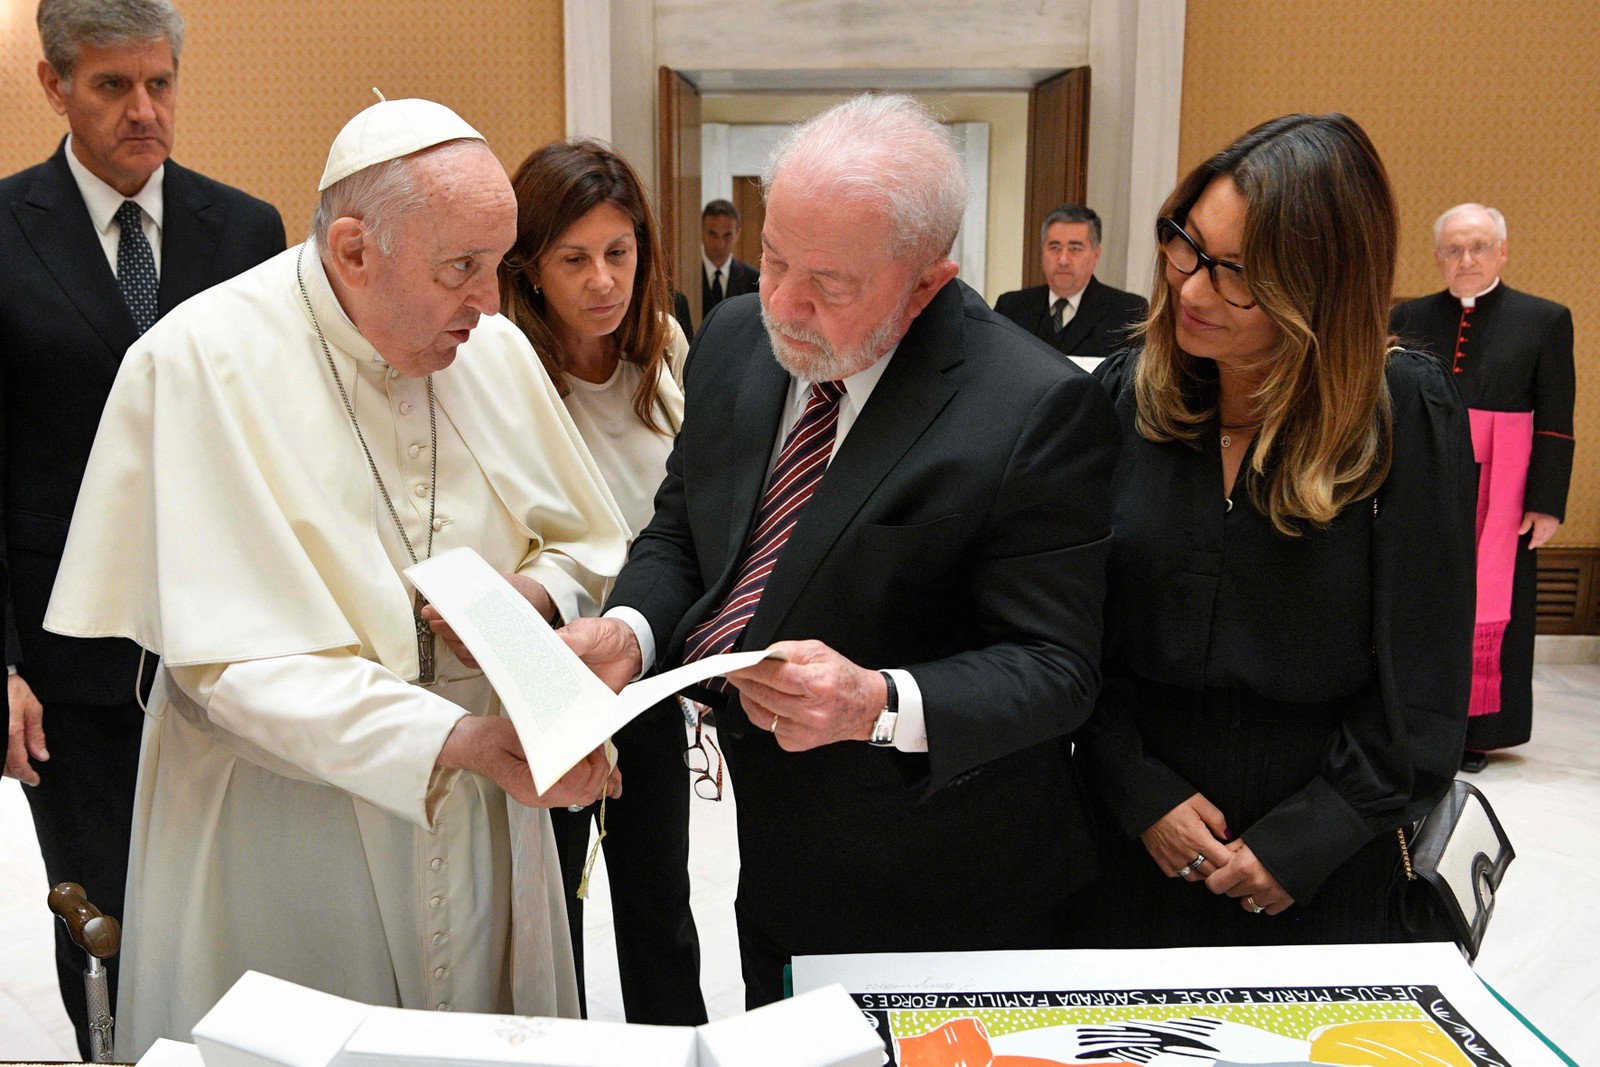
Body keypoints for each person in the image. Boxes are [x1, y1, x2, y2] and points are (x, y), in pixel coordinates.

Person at [41, 98, 630, 1059]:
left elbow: (580, 546)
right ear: (354, 249)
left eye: (499, 264)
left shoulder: (494, 349)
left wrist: (533, 601)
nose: (491, 302)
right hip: (285, 827)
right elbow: (231, 667)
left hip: (482, 813)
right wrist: (459, 739)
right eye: (461, 269)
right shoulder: (201, 364)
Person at [557, 94, 1119, 1006]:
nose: (785, 303)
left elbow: (1055, 666)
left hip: (940, 887)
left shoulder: (1031, 407)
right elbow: (684, 531)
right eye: (775, 258)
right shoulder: (737, 340)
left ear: (928, 282)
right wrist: (629, 630)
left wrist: (876, 699)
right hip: (772, 858)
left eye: (832, 283)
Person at [1073, 113, 1477, 948]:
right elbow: (1074, 631)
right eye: (1185, 244)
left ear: (1321, 285)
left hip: (1326, 861)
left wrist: (1306, 839)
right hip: (1129, 839)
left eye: (1237, 273)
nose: (1188, 288)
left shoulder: (1403, 413)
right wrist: (1137, 789)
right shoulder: (1127, 394)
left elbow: (1424, 683)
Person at [0, 0, 283, 1054]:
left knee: (234, 911)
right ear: (53, 84)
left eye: (159, 82)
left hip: (228, 648)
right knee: (103, 918)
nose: (143, 109)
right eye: (112, 86)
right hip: (70, 662)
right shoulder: (3, 227)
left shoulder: (246, 229)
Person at [497, 137, 704, 1025]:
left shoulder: (662, 345)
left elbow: (690, 502)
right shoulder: (500, 364)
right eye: (574, 259)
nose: (602, 281)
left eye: (619, 254)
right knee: (556, 899)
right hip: (544, 666)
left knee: (658, 891)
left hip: (646, 654)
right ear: (531, 266)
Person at [1390, 204, 1575, 769]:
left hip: (1505, 490)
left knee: (1488, 605)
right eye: (1452, 249)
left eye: (1477, 247)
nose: (1465, 259)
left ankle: (1476, 732)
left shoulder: (1544, 318)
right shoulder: (1409, 315)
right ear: (1437, 258)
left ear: (1502, 251)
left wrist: (1546, 503)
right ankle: (1410, 719)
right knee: (1419, 596)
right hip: (1423, 477)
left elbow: (1555, 414)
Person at [993, 204, 1146, 366]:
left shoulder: (1129, 312)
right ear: (1042, 252)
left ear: (1096, 255)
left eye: (1075, 249)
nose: (1063, 260)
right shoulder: (1011, 308)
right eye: (1054, 248)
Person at [700, 197, 759, 323]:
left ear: (737, 233)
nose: (719, 244)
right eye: (712, 234)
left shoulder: (754, 280)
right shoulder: (687, 279)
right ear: (701, 232)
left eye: (727, 235)